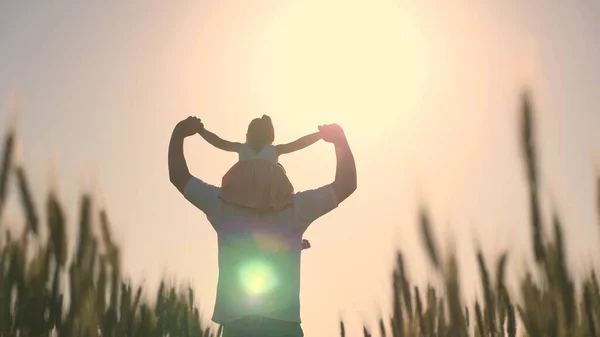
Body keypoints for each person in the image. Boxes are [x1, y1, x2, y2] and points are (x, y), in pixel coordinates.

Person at [168, 116, 356, 337]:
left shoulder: (222, 206)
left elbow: (179, 177)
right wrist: (339, 141)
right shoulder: (295, 209)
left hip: (238, 326)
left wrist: (179, 133)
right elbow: (345, 184)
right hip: (284, 327)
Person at [198, 115, 322, 212]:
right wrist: (201, 131)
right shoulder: (243, 148)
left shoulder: (273, 150)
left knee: (271, 210)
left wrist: (319, 135)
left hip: (266, 191)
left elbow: (298, 144)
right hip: (245, 190)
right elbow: (219, 142)